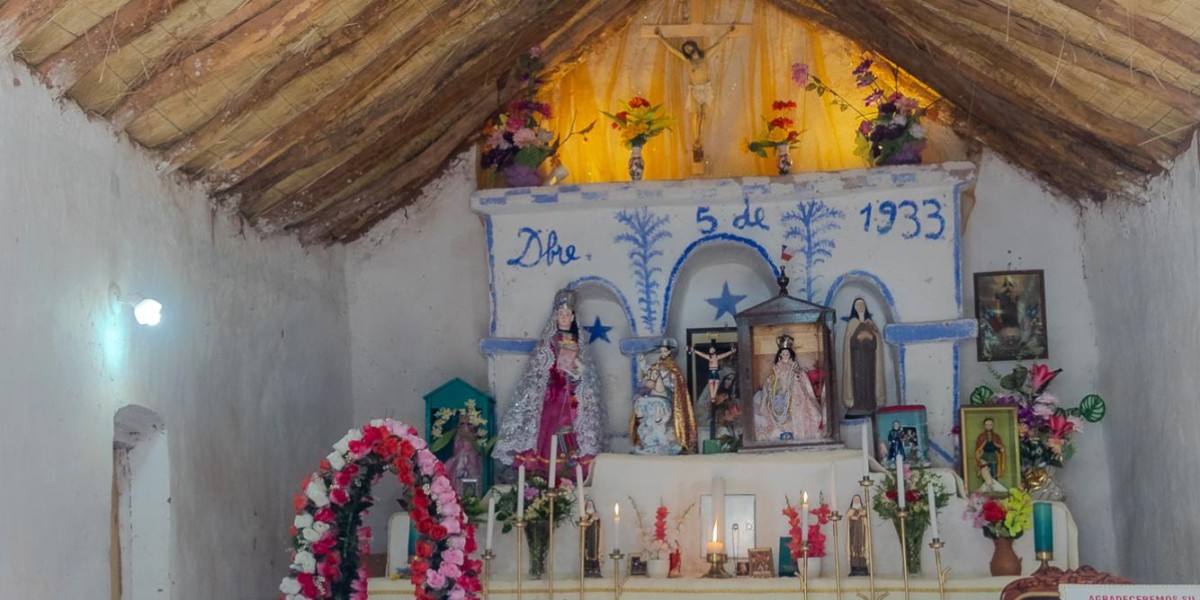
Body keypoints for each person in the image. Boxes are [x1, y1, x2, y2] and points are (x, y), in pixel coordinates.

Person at [493, 289, 604, 477]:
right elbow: (539, 368)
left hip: (572, 396)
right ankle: (544, 469)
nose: (564, 318)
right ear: (555, 317)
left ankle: (570, 468)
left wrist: (578, 370)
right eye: (561, 314)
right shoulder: (549, 341)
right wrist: (554, 368)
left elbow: (587, 373)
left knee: (573, 427)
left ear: (573, 317)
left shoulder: (579, 341)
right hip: (553, 394)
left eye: (567, 315)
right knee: (549, 427)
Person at [654, 24, 736, 162]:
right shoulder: (687, 60)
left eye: (689, 47)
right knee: (697, 115)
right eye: (686, 49)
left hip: (706, 88)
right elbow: (673, 50)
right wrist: (660, 37)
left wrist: (728, 33)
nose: (688, 50)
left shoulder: (705, 56)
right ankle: (696, 138)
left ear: (693, 46)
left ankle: (700, 140)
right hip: (695, 89)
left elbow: (718, 44)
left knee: (703, 116)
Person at [630, 339, 696, 454]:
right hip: (655, 388)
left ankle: (662, 418)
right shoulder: (657, 364)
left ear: (669, 352)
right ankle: (642, 416)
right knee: (642, 398)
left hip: (668, 391)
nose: (663, 353)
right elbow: (648, 369)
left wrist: (673, 383)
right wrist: (642, 361)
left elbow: (676, 381)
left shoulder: (672, 367)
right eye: (661, 351)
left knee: (668, 402)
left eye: (664, 351)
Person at [751, 335, 823, 442]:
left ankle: (793, 428)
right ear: (780, 356)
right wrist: (772, 384)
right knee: (774, 405)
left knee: (796, 405)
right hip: (779, 395)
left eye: (787, 354)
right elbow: (772, 380)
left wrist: (796, 377)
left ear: (790, 355)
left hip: (793, 395)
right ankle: (779, 429)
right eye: (783, 354)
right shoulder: (776, 369)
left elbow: (801, 380)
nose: (785, 356)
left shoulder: (794, 367)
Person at [842, 297, 885, 417]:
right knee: (858, 383)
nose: (860, 307)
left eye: (862, 305)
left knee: (869, 382)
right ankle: (858, 405)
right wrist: (858, 338)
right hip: (856, 361)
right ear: (855, 308)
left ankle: (869, 404)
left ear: (865, 307)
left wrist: (869, 336)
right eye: (858, 306)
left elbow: (876, 342)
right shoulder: (852, 324)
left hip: (869, 361)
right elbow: (849, 343)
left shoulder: (870, 324)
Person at [443, 418, 483, 498]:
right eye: (462, 424)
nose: (465, 427)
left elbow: (478, 450)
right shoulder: (458, 436)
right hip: (458, 462)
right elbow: (456, 449)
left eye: (469, 424)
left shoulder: (476, 436)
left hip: (473, 461)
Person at [974, 417, 1006, 486]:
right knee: (985, 473)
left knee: (994, 474)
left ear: (993, 425)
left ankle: (994, 489)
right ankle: (985, 489)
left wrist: (1001, 449)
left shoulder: (996, 436)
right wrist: (979, 456)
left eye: (990, 424)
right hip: (984, 456)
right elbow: (978, 449)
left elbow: (1000, 446)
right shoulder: (981, 436)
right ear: (984, 426)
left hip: (993, 456)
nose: (988, 426)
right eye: (987, 425)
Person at [846, 495, 869, 576]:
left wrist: (863, 517)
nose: (856, 500)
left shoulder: (863, 510)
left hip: (862, 533)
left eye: (857, 499)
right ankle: (854, 568)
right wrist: (852, 518)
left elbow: (867, 522)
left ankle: (863, 568)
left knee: (862, 548)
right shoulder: (850, 510)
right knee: (854, 548)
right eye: (855, 499)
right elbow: (847, 520)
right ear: (852, 500)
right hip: (854, 533)